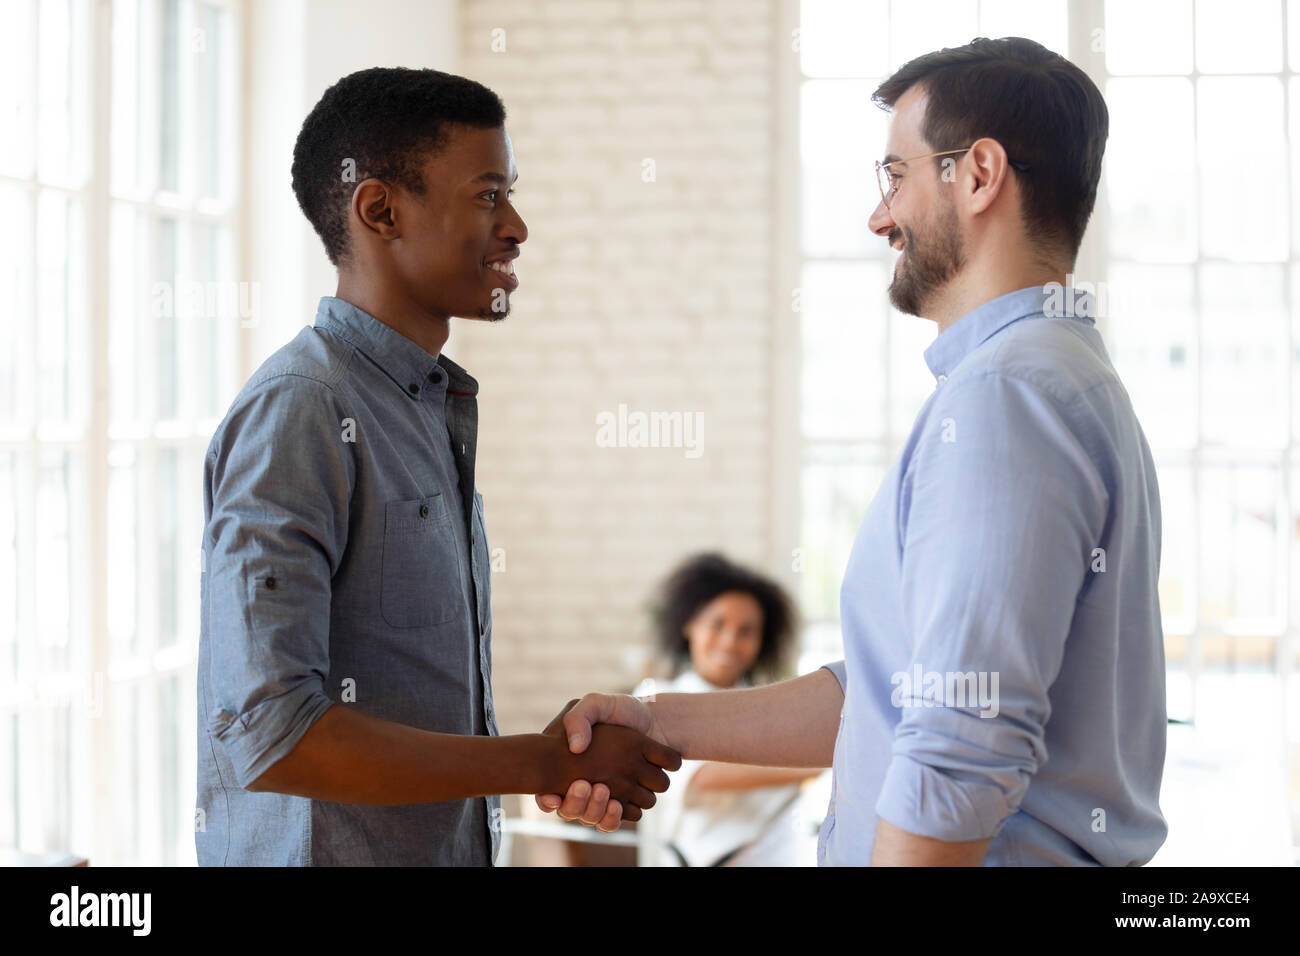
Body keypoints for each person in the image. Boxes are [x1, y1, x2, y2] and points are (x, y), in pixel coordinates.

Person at [539, 36, 1168, 866]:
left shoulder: (1005, 397)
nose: (879, 216)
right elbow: (892, 690)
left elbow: (960, 740)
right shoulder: (1056, 381)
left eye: (896, 176)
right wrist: (658, 722)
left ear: (978, 175)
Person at [196, 67, 679, 866]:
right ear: (381, 209)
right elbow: (274, 735)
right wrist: (539, 759)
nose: (518, 225)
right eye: (489, 195)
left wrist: (549, 755)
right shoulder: (301, 410)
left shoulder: (426, 406)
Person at [632, 554, 821, 866]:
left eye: (746, 631)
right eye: (717, 625)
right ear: (690, 624)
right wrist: (820, 760)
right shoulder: (657, 698)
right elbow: (703, 776)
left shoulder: (765, 703)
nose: (730, 641)